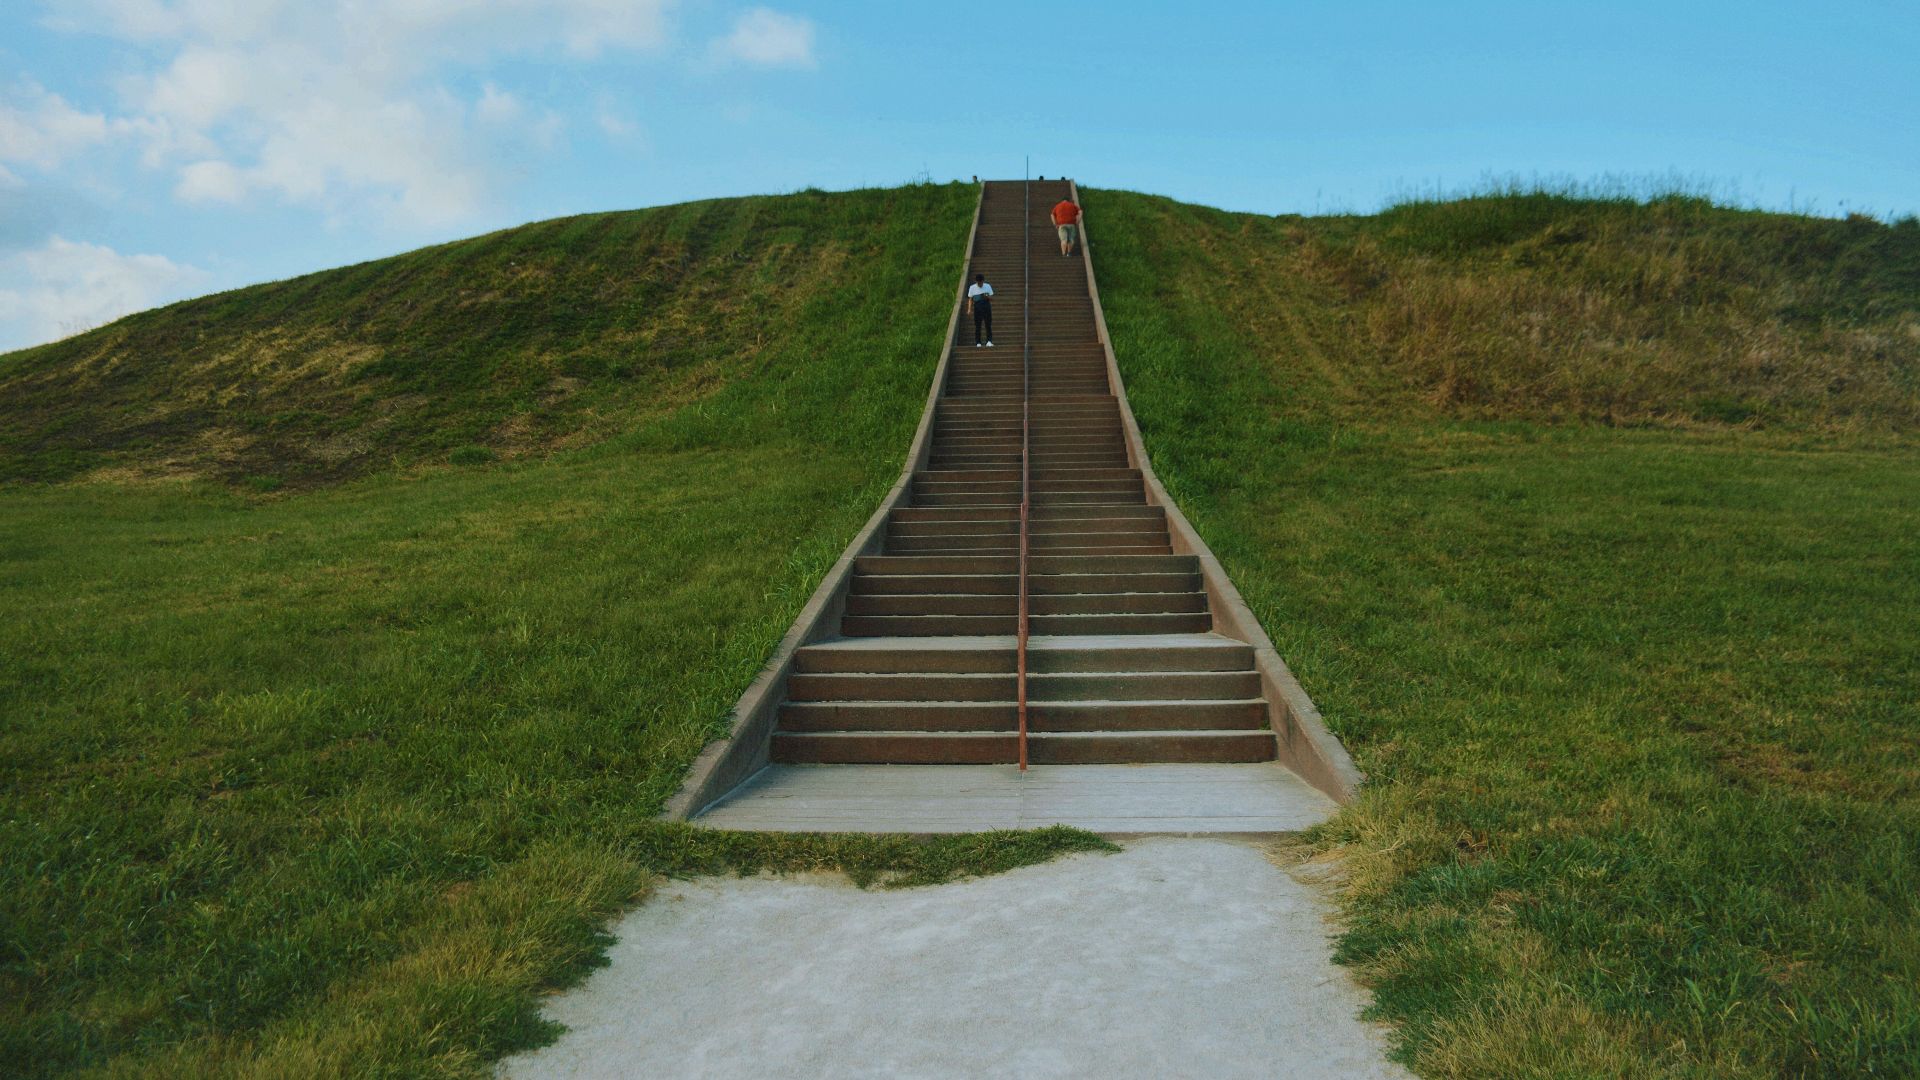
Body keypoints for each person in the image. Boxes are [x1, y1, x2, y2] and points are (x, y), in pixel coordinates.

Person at [966, 273, 994, 347]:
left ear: (983, 281)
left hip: (986, 306)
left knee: (988, 324)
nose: (980, 284)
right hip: (977, 307)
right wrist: (969, 309)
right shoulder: (972, 288)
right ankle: (978, 342)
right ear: (976, 281)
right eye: (979, 283)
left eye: (981, 282)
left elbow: (992, 297)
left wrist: (987, 296)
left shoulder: (987, 286)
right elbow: (970, 299)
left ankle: (989, 341)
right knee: (978, 325)